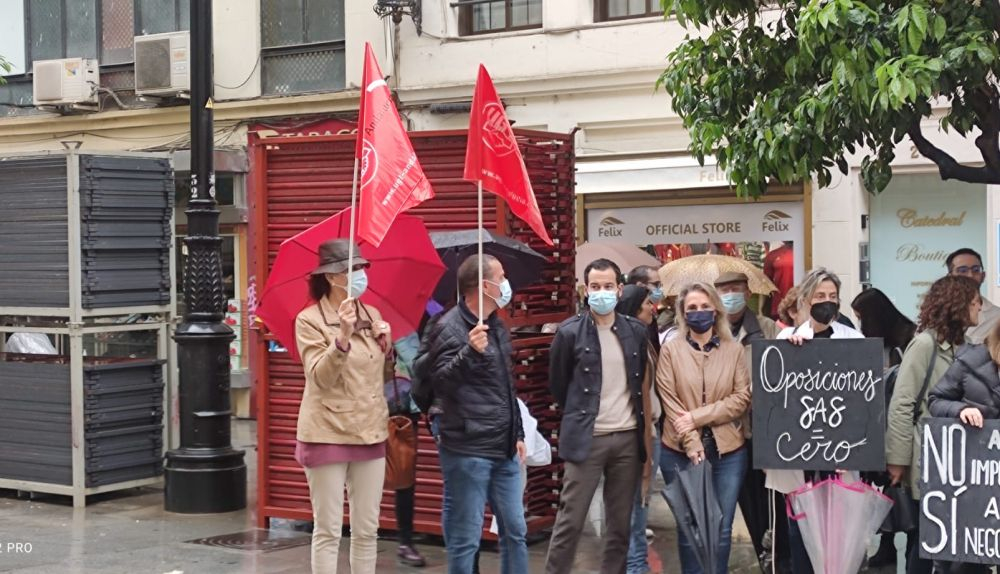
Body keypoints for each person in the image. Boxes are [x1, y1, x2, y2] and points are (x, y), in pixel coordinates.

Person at [417, 254, 527, 574]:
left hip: (504, 447)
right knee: (465, 536)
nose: (506, 284)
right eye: (501, 277)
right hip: (467, 447)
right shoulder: (448, 326)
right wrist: (469, 352)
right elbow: (440, 382)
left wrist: (518, 432)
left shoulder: (497, 325)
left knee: (515, 530)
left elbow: (506, 385)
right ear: (484, 286)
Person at [294, 239, 391, 574]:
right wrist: (342, 339)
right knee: (329, 529)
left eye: (362, 267)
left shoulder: (372, 314)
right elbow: (320, 377)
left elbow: (378, 377)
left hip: (370, 430)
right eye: (353, 269)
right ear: (332, 276)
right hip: (327, 432)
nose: (361, 274)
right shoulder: (309, 320)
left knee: (367, 529)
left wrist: (386, 343)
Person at [546, 259, 649, 574]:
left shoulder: (636, 331)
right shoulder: (569, 333)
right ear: (585, 290)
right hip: (587, 438)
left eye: (607, 286)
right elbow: (559, 386)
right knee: (570, 521)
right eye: (595, 286)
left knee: (619, 525)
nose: (601, 292)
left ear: (619, 290)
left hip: (627, 438)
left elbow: (640, 382)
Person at [767, 268, 864, 574]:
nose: (827, 301)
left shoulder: (854, 340)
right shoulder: (786, 338)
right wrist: (790, 354)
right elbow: (773, 395)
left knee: (838, 536)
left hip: (840, 456)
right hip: (800, 455)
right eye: (820, 296)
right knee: (801, 534)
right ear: (806, 299)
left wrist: (853, 450)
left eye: (832, 296)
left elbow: (863, 401)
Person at [885, 275, 982, 574]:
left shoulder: (968, 347)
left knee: (951, 538)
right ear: (958, 305)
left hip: (957, 461)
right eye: (975, 301)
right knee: (926, 540)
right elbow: (903, 404)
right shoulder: (925, 344)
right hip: (926, 458)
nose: (980, 306)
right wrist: (898, 461)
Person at [658, 281, 751, 574]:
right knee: (689, 528)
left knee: (721, 528)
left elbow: (741, 399)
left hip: (728, 452)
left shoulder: (734, 350)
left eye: (705, 306)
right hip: (678, 452)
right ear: (683, 314)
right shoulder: (670, 351)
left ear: (716, 311)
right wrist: (691, 441)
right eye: (692, 308)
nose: (699, 312)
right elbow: (669, 401)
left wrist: (697, 418)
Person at [714, 272, 787, 572]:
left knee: (768, 507)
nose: (730, 296)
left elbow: (781, 373)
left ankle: (774, 561)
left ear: (747, 293)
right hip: (726, 433)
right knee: (729, 508)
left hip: (761, 433)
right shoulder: (712, 330)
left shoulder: (767, 328)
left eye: (735, 289)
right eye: (724, 291)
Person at [850, 287, 918, 568]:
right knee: (884, 490)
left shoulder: (908, 341)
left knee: (902, 491)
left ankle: (909, 550)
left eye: (861, 317)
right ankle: (888, 544)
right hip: (878, 425)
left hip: (897, 426)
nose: (859, 323)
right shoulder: (875, 341)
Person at [927, 320, 1000, 574]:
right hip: (971, 477)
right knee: (965, 559)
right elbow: (935, 400)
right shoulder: (971, 361)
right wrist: (961, 410)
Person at [617, 285, 662, 574]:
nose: (652, 307)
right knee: (636, 507)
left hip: (649, 430)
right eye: (647, 303)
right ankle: (635, 567)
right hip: (638, 434)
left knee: (639, 505)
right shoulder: (631, 344)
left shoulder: (645, 340)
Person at [946, 247, 1000, 344]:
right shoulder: (937, 314)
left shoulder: (997, 317)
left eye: (976, 270)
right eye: (962, 270)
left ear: (983, 276)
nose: (970, 275)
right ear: (950, 277)